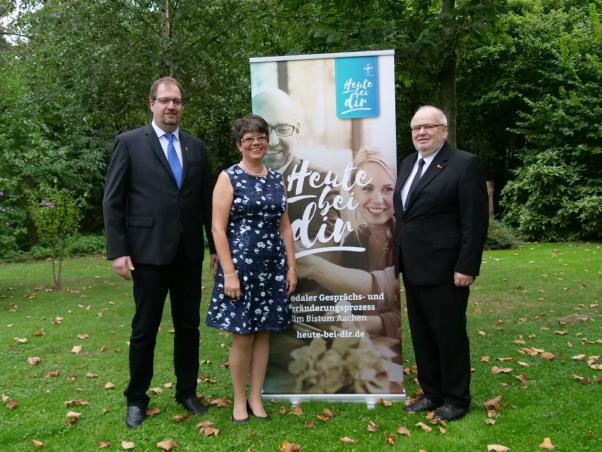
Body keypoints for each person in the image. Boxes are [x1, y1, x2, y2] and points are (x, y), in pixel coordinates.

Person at [103, 76, 216, 428]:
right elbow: (113, 199)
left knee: (189, 328)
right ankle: (136, 398)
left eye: (177, 101)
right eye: (165, 100)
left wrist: (214, 247)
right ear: (151, 103)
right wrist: (117, 251)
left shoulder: (195, 147)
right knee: (144, 329)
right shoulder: (130, 143)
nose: (172, 106)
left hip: (187, 254)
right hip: (146, 254)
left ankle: (186, 392)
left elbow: (206, 202)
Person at [393, 105, 488, 421]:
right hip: (414, 267)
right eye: (416, 128)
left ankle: (457, 399)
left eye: (428, 127)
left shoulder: (464, 164)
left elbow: (474, 222)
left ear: (443, 131)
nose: (421, 132)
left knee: (449, 335)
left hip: (447, 270)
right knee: (422, 335)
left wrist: (467, 265)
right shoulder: (408, 164)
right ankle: (432, 393)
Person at [205, 114, 297, 423]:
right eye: (248, 139)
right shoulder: (228, 177)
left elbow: (285, 228)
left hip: (272, 267)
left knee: (264, 334)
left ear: (266, 141)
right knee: (243, 335)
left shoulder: (275, 178)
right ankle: (239, 401)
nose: (255, 143)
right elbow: (218, 229)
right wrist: (228, 273)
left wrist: (291, 268)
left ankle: (257, 398)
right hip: (241, 268)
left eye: (260, 137)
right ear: (239, 145)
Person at [297, 148, 400, 339]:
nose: (378, 200)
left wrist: (370, 324)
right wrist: (307, 309)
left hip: (388, 356)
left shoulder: (404, 238)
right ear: (353, 193)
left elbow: (405, 306)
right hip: (361, 350)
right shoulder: (356, 239)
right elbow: (331, 292)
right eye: (367, 188)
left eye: (388, 189)